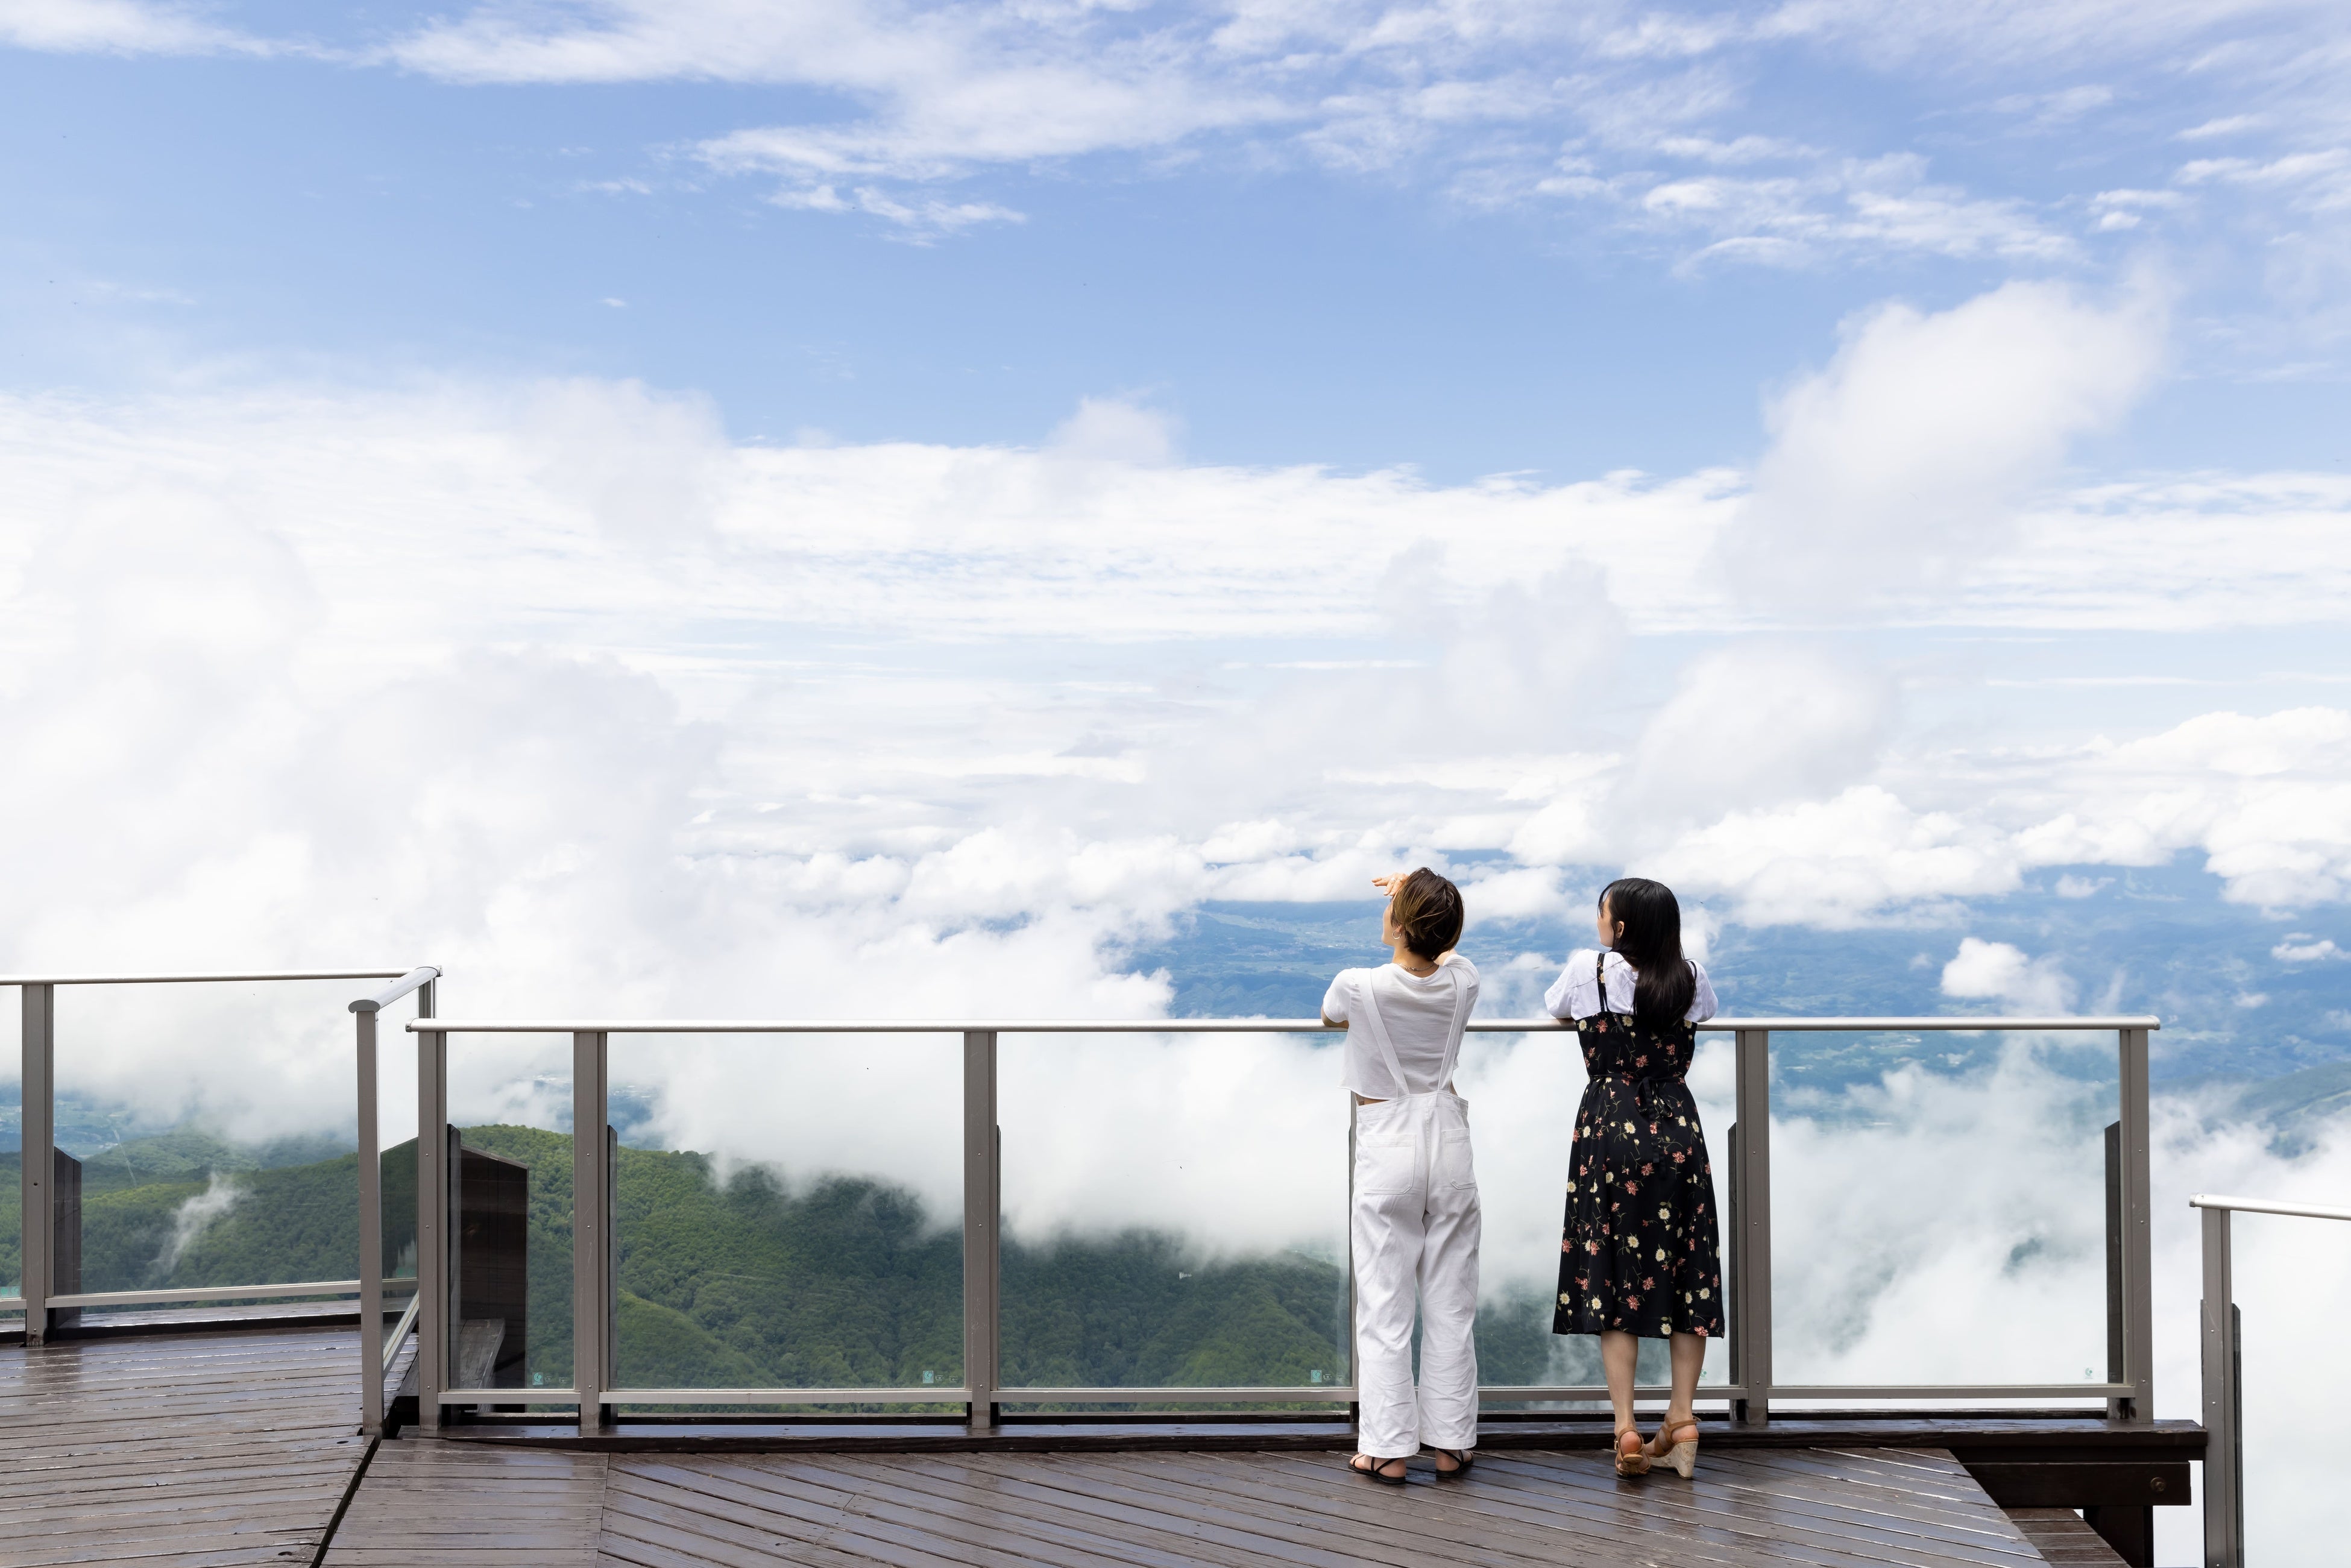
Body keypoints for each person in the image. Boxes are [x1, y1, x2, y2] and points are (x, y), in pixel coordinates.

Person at [1547, 876, 1722, 1478]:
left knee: (1614, 1273)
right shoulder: (1691, 978)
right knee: (1687, 1267)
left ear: (1618, 927)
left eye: (1603, 913)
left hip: (1610, 1129)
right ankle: (1683, 1416)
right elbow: (1709, 1013)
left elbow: (1555, 1008)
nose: (1598, 922)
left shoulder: (1589, 970)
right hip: (1677, 1127)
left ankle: (1626, 1427)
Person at [1322, 868, 1481, 1484]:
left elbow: (1329, 1014)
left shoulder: (1358, 986)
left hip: (1386, 1138)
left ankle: (1387, 1449)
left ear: (1399, 924)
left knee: (1386, 1302)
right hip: (1448, 1138)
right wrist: (1418, 893)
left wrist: (1405, 892)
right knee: (1451, 1299)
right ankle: (1451, 1442)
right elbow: (1452, 953)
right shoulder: (1463, 983)